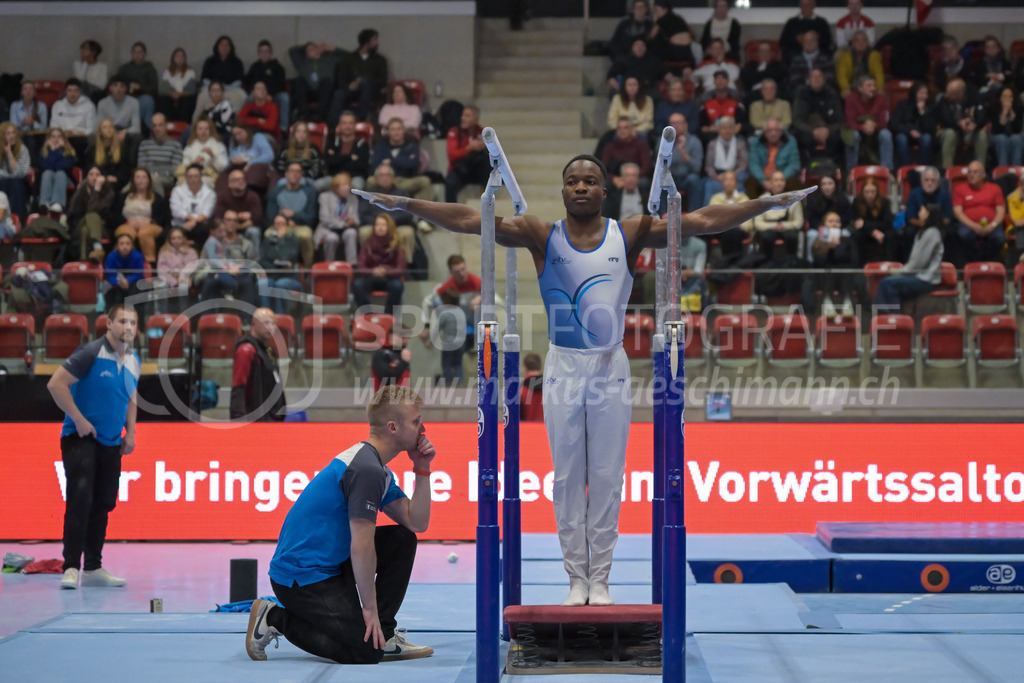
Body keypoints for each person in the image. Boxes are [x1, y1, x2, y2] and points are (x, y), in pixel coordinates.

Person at [353, 154, 814, 606]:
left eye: (590, 181)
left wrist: (765, 204)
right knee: (568, 478)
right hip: (563, 366)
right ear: (562, 189)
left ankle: (602, 579)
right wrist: (405, 203)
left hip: (609, 365)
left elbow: (701, 220)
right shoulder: (541, 234)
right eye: (572, 180)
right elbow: (472, 220)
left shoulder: (628, 232)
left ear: (604, 190)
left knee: (608, 477)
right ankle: (576, 578)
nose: (580, 187)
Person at [247, 384, 435, 664]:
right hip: (302, 579)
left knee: (402, 539)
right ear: (393, 427)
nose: (423, 429)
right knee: (366, 652)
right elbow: (362, 546)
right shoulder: (365, 469)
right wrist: (369, 609)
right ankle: (274, 616)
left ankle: (383, 633)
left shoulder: (378, 469)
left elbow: (416, 522)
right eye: (416, 421)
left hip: (332, 565)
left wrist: (422, 467)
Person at [47, 302, 139, 591]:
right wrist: (79, 419)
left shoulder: (134, 360)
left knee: (104, 503)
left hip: (113, 442)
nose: (128, 327)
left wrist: (131, 433)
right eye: (122, 321)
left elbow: (131, 398)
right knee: (80, 499)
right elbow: (56, 385)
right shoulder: (90, 353)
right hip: (81, 438)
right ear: (109, 324)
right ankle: (71, 566)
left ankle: (94, 567)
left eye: (133, 323)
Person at [874, 203, 944, 313]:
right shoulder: (922, 233)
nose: (919, 213)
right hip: (916, 277)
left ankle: (894, 321)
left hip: (925, 280)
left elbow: (919, 263)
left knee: (888, 283)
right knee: (886, 283)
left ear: (928, 214)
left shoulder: (932, 233)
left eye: (922, 211)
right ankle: (885, 318)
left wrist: (899, 271)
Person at [230, 307, 287, 422]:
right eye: (266, 322)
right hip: (255, 419)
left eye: (273, 323)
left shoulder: (269, 350)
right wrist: (239, 419)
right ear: (253, 324)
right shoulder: (246, 350)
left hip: (271, 416)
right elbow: (239, 387)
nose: (270, 327)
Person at [418, 253, 482, 351]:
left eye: (463, 269)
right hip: (455, 325)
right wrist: (427, 325)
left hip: (473, 321)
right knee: (437, 300)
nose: (461, 274)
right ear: (451, 272)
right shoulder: (445, 288)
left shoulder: (476, 282)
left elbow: (495, 298)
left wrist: (480, 297)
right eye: (457, 272)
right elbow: (427, 302)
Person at [266, 161, 321, 267]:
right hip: (279, 225)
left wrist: (294, 215)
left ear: (301, 175)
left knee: (306, 235)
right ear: (286, 174)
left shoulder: (309, 193)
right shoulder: (275, 192)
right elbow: (270, 215)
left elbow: (311, 218)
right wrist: (285, 222)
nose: (294, 174)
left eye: (298, 171)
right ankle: (271, 267)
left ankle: (308, 269)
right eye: (292, 171)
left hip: (300, 226)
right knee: (268, 234)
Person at [952, 161, 1006, 265]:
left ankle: (986, 261)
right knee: (964, 235)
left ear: (984, 174)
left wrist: (992, 225)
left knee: (999, 238)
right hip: (968, 224)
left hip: (991, 224)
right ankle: (975, 263)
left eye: (975, 172)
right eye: (970, 172)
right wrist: (974, 226)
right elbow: (957, 212)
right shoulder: (960, 189)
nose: (972, 175)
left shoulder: (995, 188)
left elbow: (1001, 210)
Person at [199, 216, 259, 310]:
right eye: (220, 231)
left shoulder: (224, 242)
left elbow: (227, 257)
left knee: (246, 277)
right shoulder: (211, 242)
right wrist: (226, 269)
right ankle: (227, 292)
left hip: (227, 271)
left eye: (224, 231)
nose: (223, 233)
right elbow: (213, 260)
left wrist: (234, 265)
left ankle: (246, 320)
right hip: (211, 271)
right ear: (212, 231)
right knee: (212, 281)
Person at [114, 167, 171, 265]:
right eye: (138, 177)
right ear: (133, 180)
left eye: (144, 177)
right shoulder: (123, 197)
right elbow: (114, 215)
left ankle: (150, 264)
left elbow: (165, 217)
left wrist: (149, 222)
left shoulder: (158, 198)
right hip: (128, 224)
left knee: (144, 233)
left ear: (149, 180)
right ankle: (125, 264)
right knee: (126, 234)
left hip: (150, 225)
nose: (141, 180)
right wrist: (128, 222)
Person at [332, 29, 389, 122]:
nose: (377, 43)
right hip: (352, 91)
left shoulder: (380, 60)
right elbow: (341, 77)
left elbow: (383, 81)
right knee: (339, 94)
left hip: (371, 93)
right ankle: (333, 125)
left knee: (365, 82)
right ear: (366, 42)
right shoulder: (349, 58)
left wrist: (362, 81)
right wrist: (349, 86)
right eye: (374, 40)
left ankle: (361, 117)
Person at [792, 69, 845, 170]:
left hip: (829, 131)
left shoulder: (832, 94)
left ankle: (834, 170)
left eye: (819, 77)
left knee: (838, 140)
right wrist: (813, 131)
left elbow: (839, 120)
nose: (816, 79)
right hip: (808, 131)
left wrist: (827, 130)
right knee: (801, 139)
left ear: (824, 79)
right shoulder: (802, 94)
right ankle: (806, 171)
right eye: (813, 77)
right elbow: (797, 120)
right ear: (809, 80)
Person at [354, 213, 406, 315]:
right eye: (377, 225)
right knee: (357, 285)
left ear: (389, 227)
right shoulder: (367, 243)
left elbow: (400, 268)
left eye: (383, 225)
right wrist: (373, 271)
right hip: (371, 277)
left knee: (397, 286)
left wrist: (385, 271)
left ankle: (388, 317)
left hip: (390, 278)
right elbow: (361, 266)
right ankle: (368, 316)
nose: (380, 228)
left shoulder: (397, 244)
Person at [369, 118, 433, 201]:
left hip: (406, 180)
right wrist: (401, 162)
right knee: (370, 181)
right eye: (393, 129)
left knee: (425, 181)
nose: (396, 132)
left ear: (404, 130)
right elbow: (375, 165)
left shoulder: (412, 145)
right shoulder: (381, 145)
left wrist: (391, 161)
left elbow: (411, 164)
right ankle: (372, 210)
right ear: (388, 132)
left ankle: (416, 212)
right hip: (385, 178)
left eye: (399, 129)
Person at [936, 78, 988, 170]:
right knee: (950, 134)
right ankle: (947, 170)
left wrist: (975, 125)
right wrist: (958, 123)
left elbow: (983, 117)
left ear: (960, 94)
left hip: (968, 132)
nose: (947, 94)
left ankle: (980, 170)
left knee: (981, 134)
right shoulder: (944, 100)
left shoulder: (973, 98)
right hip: (952, 131)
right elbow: (944, 119)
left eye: (950, 93)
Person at [844, 75, 893, 170]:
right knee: (853, 136)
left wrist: (873, 125)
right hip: (858, 131)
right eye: (869, 86)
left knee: (886, 135)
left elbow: (884, 122)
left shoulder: (881, 98)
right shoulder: (851, 99)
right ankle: (851, 171)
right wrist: (863, 127)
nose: (873, 88)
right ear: (860, 88)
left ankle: (887, 171)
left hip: (876, 131)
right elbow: (849, 122)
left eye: (874, 85)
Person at [288, 41, 344, 124]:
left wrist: (332, 48)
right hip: (308, 92)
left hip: (323, 92)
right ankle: (303, 116)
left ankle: (320, 116)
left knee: (326, 82)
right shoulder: (302, 61)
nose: (313, 51)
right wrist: (306, 48)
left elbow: (348, 56)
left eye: (314, 48)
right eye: (309, 50)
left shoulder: (329, 59)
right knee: (298, 81)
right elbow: (291, 51)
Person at [67, 166, 116, 260]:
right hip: (79, 225)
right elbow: (74, 214)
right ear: (87, 177)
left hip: (102, 228)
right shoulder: (80, 191)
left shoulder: (109, 192)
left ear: (102, 177)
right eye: (91, 174)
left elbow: (96, 210)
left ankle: (84, 263)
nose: (94, 177)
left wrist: (96, 190)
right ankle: (98, 248)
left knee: (86, 230)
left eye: (97, 175)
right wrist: (96, 190)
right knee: (91, 216)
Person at [258, 214, 304, 314]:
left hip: (290, 277)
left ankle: (281, 317)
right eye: (277, 224)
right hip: (272, 276)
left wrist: (280, 240)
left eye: (282, 224)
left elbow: (287, 257)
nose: (279, 227)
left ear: (288, 226)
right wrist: (276, 266)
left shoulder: (294, 241)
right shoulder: (268, 241)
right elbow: (263, 261)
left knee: (280, 284)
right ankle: (265, 315)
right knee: (262, 283)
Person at [752, 170, 804, 255]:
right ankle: (765, 263)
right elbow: (758, 223)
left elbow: (799, 222)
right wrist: (774, 226)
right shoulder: (762, 199)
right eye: (776, 180)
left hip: (787, 230)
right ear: (770, 183)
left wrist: (783, 225)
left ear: (785, 183)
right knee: (766, 236)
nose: (779, 183)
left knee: (792, 236)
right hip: (769, 230)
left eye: (782, 180)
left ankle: (791, 263)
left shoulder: (794, 200)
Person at [746, 117, 800, 199]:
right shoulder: (756, 143)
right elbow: (754, 164)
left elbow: (794, 164)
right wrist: (763, 180)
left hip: (783, 176)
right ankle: (752, 211)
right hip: (763, 177)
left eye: (776, 130)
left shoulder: (790, 141)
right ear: (764, 133)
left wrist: (779, 180)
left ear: (781, 132)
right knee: (750, 183)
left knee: (795, 183)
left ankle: (797, 210)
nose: (773, 133)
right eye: (769, 130)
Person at [244, 40, 290, 135]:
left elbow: (281, 84)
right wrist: (256, 93)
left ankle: (283, 128)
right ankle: (245, 127)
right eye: (261, 51)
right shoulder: (254, 67)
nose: (264, 54)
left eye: (266, 51)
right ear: (258, 54)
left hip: (274, 95)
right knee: (248, 98)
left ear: (270, 53)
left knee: (285, 97)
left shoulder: (278, 67)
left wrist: (269, 95)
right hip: (256, 96)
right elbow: (249, 83)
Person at [444, 105, 488, 203]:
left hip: (477, 170)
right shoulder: (454, 132)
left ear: (476, 119)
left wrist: (486, 145)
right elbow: (452, 155)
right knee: (450, 182)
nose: (462, 118)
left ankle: (488, 206)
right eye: (462, 115)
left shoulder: (482, 132)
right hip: (460, 170)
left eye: (467, 116)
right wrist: (470, 148)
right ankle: (450, 212)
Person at [702, 115, 748, 206]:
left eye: (730, 128)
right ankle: (707, 216)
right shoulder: (712, 145)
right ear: (719, 129)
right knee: (709, 185)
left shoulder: (740, 144)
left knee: (741, 181)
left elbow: (743, 165)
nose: (727, 131)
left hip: (735, 175)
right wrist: (717, 176)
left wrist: (731, 176)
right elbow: (708, 166)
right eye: (724, 128)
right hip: (718, 177)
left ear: (734, 129)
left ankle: (743, 214)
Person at [851, 178, 897, 265]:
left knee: (891, 235)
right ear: (862, 191)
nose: (870, 195)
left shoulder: (884, 202)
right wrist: (873, 232)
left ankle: (889, 265)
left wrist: (866, 224)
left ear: (877, 191)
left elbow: (887, 222)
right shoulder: (857, 202)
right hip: (866, 232)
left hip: (882, 230)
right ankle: (858, 267)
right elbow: (857, 224)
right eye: (867, 192)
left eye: (872, 191)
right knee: (856, 235)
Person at [890, 81, 936, 167]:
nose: (924, 96)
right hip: (905, 133)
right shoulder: (903, 104)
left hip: (921, 134)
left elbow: (931, 128)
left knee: (927, 138)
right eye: (921, 93)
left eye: (926, 94)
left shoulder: (930, 107)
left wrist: (922, 113)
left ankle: (923, 167)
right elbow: (894, 124)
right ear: (914, 93)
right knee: (900, 138)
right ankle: (905, 167)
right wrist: (909, 131)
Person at [318, 172, 361, 263]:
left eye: (348, 185)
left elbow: (356, 219)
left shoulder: (353, 199)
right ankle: (328, 264)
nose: (347, 188)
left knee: (351, 233)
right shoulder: (325, 197)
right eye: (344, 185)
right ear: (336, 187)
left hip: (346, 229)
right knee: (332, 238)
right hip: (328, 228)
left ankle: (352, 265)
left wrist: (353, 221)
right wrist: (343, 224)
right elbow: (324, 219)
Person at [137, 113, 184, 196]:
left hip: (167, 178)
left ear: (166, 125)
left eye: (160, 125)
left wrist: (156, 175)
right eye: (154, 126)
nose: (157, 128)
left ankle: (158, 207)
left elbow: (175, 169)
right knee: (128, 187)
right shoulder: (144, 144)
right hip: (147, 177)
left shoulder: (176, 145)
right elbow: (141, 166)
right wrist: (148, 176)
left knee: (156, 182)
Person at [115, 41, 158, 132]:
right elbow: (116, 83)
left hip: (142, 99)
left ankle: (147, 127)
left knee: (147, 100)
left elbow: (154, 89)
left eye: (140, 52)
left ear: (144, 54)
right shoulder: (124, 68)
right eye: (135, 52)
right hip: (126, 97)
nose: (137, 55)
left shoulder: (150, 69)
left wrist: (139, 87)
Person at [665, 113, 703, 212]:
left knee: (694, 180)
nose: (675, 126)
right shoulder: (664, 142)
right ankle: (663, 215)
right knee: (661, 180)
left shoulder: (694, 141)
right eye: (672, 123)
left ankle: (695, 214)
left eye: (678, 123)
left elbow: (697, 168)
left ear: (685, 125)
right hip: (671, 178)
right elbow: (659, 165)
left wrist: (683, 151)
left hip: (687, 178)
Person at [216, 168, 264, 248]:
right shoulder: (223, 197)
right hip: (227, 229)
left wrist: (234, 223)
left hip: (246, 229)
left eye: (243, 179)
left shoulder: (253, 196)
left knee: (254, 231)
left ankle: (254, 259)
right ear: (230, 183)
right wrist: (240, 216)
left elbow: (256, 219)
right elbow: (219, 217)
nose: (241, 181)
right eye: (237, 179)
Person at [707, 170, 752, 256]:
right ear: (722, 183)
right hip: (721, 231)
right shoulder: (715, 199)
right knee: (728, 233)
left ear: (736, 183)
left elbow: (749, 222)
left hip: (739, 231)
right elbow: (712, 219)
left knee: (734, 232)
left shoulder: (744, 199)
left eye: (732, 180)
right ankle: (731, 262)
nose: (729, 182)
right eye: (726, 180)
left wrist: (740, 226)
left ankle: (730, 261)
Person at [198, 36, 247, 114]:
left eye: (227, 45)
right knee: (202, 95)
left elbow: (239, 80)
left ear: (231, 48)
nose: (224, 47)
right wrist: (214, 88)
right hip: (212, 89)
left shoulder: (237, 62)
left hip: (230, 89)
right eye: (222, 45)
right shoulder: (210, 61)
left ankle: (233, 120)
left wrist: (226, 88)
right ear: (217, 47)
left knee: (242, 95)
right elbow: (204, 78)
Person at [154, 226, 199, 309]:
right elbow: (161, 269)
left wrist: (182, 276)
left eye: (179, 238)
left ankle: (184, 314)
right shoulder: (164, 252)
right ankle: (161, 315)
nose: (176, 241)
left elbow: (194, 267)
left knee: (183, 287)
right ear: (169, 240)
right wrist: (174, 281)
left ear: (183, 238)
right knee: (161, 286)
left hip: (185, 279)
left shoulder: (191, 252)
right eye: (173, 238)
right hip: (169, 278)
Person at [170, 164, 216, 245]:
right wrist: (192, 219)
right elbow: (176, 211)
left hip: (199, 225)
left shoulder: (209, 193)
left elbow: (207, 213)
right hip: (180, 224)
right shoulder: (177, 191)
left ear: (201, 177)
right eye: (190, 177)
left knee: (203, 230)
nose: (193, 179)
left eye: (196, 176)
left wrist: (193, 222)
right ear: (186, 178)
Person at [324, 110, 371, 188]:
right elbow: (329, 163)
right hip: (335, 177)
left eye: (350, 123)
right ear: (339, 125)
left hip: (354, 177)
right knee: (318, 185)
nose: (347, 126)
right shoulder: (332, 144)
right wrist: (349, 157)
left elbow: (361, 166)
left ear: (355, 125)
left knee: (357, 185)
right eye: (344, 123)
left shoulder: (362, 144)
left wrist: (337, 157)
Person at [51, 79, 97, 157]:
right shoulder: (57, 105)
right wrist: (63, 133)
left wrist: (75, 133)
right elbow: (53, 125)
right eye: (70, 91)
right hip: (62, 137)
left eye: (76, 91)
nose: (73, 94)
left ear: (80, 92)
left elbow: (92, 128)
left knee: (79, 142)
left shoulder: (89, 106)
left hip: (81, 138)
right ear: (65, 92)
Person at [601, 117, 652, 187]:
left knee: (644, 183)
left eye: (626, 128)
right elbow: (603, 168)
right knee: (606, 184)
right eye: (619, 128)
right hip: (617, 178)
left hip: (637, 177)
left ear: (632, 130)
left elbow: (646, 167)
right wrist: (613, 178)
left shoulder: (641, 145)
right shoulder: (609, 147)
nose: (622, 131)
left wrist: (631, 178)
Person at [227, 124, 276, 195]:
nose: (237, 137)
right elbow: (230, 158)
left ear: (246, 130)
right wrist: (232, 160)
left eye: (239, 133)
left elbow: (269, 155)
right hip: (239, 169)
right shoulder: (234, 142)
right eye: (235, 135)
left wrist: (250, 162)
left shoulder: (257, 138)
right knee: (224, 177)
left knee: (253, 173)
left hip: (260, 169)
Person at [179, 117, 228, 187]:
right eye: (200, 129)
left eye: (206, 129)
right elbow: (185, 165)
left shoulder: (218, 145)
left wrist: (213, 157)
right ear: (195, 130)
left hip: (211, 177)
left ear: (210, 130)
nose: (203, 132)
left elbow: (224, 167)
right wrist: (194, 164)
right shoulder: (190, 146)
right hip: (192, 175)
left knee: (203, 182)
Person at [779, 0, 832, 64]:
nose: (806, 7)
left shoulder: (821, 22)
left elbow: (828, 41)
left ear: (814, 6)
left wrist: (815, 40)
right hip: (796, 53)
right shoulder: (791, 22)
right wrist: (797, 39)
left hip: (818, 53)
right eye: (803, 5)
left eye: (808, 5)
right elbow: (783, 41)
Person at [835, 30, 884, 99]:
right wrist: (845, 88)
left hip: (870, 87)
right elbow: (842, 75)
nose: (861, 43)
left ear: (867, 43)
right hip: (852, 87)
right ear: (852, 43)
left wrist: (879, 88)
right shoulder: (845, 56)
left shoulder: (874, 55)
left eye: (863, 41)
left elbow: (879, 74)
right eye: (857, 41)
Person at [38, 128, 77, 212]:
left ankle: (57, 203)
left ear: (63, 138)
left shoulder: (69, 151)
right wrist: (52, 151)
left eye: (59, 136)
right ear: (48, 139)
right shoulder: (43, 151)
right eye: (53, 136)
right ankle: (44, 203)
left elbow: (62, 167)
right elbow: (46, 167)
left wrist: (58, 151)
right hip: (48, 180)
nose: (56, 139)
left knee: (60, 173)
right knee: (47, 173)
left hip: (65, 180)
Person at [0, 122, 32, 221]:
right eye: (8, 133)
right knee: (5, 182)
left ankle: (17, 219)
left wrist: (9, 154)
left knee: (15, 183)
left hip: (20, 183)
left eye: (13, 133)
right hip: (3, 182)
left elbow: (21, 173)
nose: (11, 136)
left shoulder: (23, 149)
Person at [85, 118, 131, 188]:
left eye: (110, 127)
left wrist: (115, 178)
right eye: (105, 127)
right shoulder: (92, 148)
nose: (108, 129)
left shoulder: (122, 148)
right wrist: (105, 178)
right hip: (98, 180)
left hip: (116, 181)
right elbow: (90, 167)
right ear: (100, 132)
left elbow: (125, 169)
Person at [103, 234, 145, 309]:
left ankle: (138, 319)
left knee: (140, 292)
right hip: (116, 283)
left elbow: (139, 273)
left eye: (128, 243)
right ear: (117, 246)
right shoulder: (111, 257)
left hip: (133, 283)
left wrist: (128, 280)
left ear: (132, 246)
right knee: (109, 292)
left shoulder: (138, 256)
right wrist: (119, 282)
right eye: (122, 243)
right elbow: (109, 274)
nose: (125, 246)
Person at [157, 47, 198, 123]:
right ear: (173, 58)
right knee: (164, 101)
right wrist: (172, 93)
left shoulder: (190, 72)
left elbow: (191, 90)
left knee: (187, 101)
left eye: (182, 56)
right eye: (177, 56)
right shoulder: (167, 72)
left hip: (184, 96)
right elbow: (163, 88)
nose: (180, 58)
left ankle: (183, 126)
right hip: (170, 96)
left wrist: (180, 94)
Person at [10, 81, 48, 161]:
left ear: (35, 93)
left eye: (31, 89)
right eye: (25, 89)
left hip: (36, 136)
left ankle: (33, 168)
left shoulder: (41, 106)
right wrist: (22, 123)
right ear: (22, 92)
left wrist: (33, 123)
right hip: (20, 135)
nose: (28, 91)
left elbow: (44, 127)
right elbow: (12, 126)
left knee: (32, 141)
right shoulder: (15, 106)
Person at [788, 31, 835, 96]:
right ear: (803, 43)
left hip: (823, 93)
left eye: (812, 40)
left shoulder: (826, 59)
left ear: (817, 42)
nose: (809, 43)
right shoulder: (796, 60)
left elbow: (830, 78)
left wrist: (817, 87)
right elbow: (794, 80)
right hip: (802, 94)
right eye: (806, 41)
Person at [968, 36, 1012, 104]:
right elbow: (978, 79)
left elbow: (1010, 77)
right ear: (985, 50)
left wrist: (995, 76)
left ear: (999, 49)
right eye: (988, 47)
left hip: (1003, 89)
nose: (991, 49)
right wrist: (992, 82)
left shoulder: (1005, 62)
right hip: (986, 88)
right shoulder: (981, 63)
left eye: (993, 46)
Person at [988, 87, 1023, 168]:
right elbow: (995, 130)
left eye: (1010, 96)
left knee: (1017, 139)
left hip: (1013, 136)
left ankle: (1016, 169)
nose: (1008, 99)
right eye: (1005, 96)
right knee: (1002, 139)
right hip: (996, 136)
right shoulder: (994, 108)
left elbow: (1018, 129)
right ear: (1000, 98)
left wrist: (1011, 113)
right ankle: (1002, 170)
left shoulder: (1018, 108)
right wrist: (1003, 113)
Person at [520, 353, 544, 422]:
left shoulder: (521, 390)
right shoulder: (549, 388)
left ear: (525, 368)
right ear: (541, 367)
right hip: (545, 430)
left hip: (527, 429)